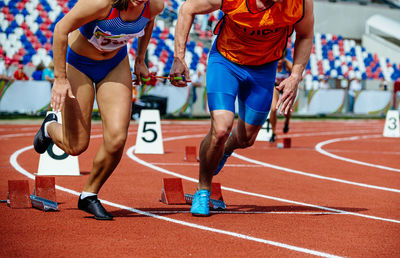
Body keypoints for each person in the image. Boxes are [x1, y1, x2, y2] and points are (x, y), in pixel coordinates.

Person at [170, 0, 314, 216]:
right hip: (226, 62)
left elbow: (305, 35)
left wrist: (296, 76)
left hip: (264, 70)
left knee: (246, 139)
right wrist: (179, 57)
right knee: (221, 128)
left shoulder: (299, 3)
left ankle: (224, 150)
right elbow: (187, 8)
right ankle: (203, 189)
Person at [33, 0, 164, 220]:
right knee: (76, 146)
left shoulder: (154, 6)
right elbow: (60, 28)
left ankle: (89, 195)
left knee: (116, 139)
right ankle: (50, 128)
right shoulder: (102, 4)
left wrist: (140, 59)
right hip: (78, 64)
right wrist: (60, 78)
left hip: (115, 64)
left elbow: (148, 21)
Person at [269, 53, 293, 143]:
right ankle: (273, 132)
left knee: (286, 109)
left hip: (285, 87)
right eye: (278, 59)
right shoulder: (272, 63)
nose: (279, 62)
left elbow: (298, 76)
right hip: (275, 87)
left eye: (281, 59)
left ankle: (287, 121)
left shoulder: (287, 64)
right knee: (273, 109)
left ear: (284, 58)